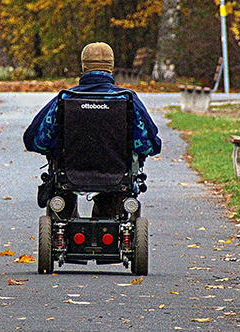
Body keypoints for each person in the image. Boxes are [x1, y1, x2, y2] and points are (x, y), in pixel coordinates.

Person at [23, 42, 161, 217]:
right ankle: (106, 215)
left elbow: (34, 140)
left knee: (61, 190)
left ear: (83, 66)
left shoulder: (65, 98)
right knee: (115, 195)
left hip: (69, 173)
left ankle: (66, 221)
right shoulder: (127, 100)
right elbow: (149, 145)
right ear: (111, 67)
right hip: (117, 175)